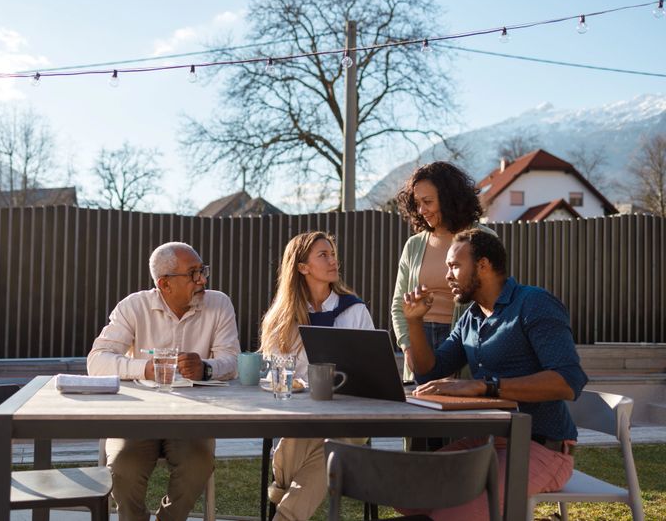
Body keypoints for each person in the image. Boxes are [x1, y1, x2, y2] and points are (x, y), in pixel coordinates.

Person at [401, 228, 589, 520]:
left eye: (454, 265)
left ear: (483, 265)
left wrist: (486, 387)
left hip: (540, 447)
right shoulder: (471, 317)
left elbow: (568, 381)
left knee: (451, 515)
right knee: (404, 490)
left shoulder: (533, 303)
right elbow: (429, 372)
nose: (447, 274)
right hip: (487, 443)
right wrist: (414, 322)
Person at [87, 241, 240, 521]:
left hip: (192, 418)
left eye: (202, 270)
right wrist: (146, 368)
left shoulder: (219, 304)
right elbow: (97, 361)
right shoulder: (134, 306)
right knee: (123, 468)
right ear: (165, 284)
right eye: (193, 273)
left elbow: (232, 361)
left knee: (198, 464)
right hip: (137, 416)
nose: (202, 279)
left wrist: (205, 368)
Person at [260, 231, 374, 521]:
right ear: (302, 267)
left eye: (333, 254)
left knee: (325, 439)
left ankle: (280, 492)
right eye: (323, 255)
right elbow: (273, 376)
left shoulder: (355, 311)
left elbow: (372, 371)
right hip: (299, 419)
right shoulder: (281, 319)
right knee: (325, 448)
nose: (333, 260)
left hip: (349, 419)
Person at [391, 161, 493, 384]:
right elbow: (399, 303)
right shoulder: (414, 245)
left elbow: (495, 302)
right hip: (420, 338)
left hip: (464, 339)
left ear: (449, 199)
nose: (421, 210)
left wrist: (460, 352)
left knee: (458, 415)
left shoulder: (483, 238)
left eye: (427, 202)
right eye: (417, 203)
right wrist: (408, 346)